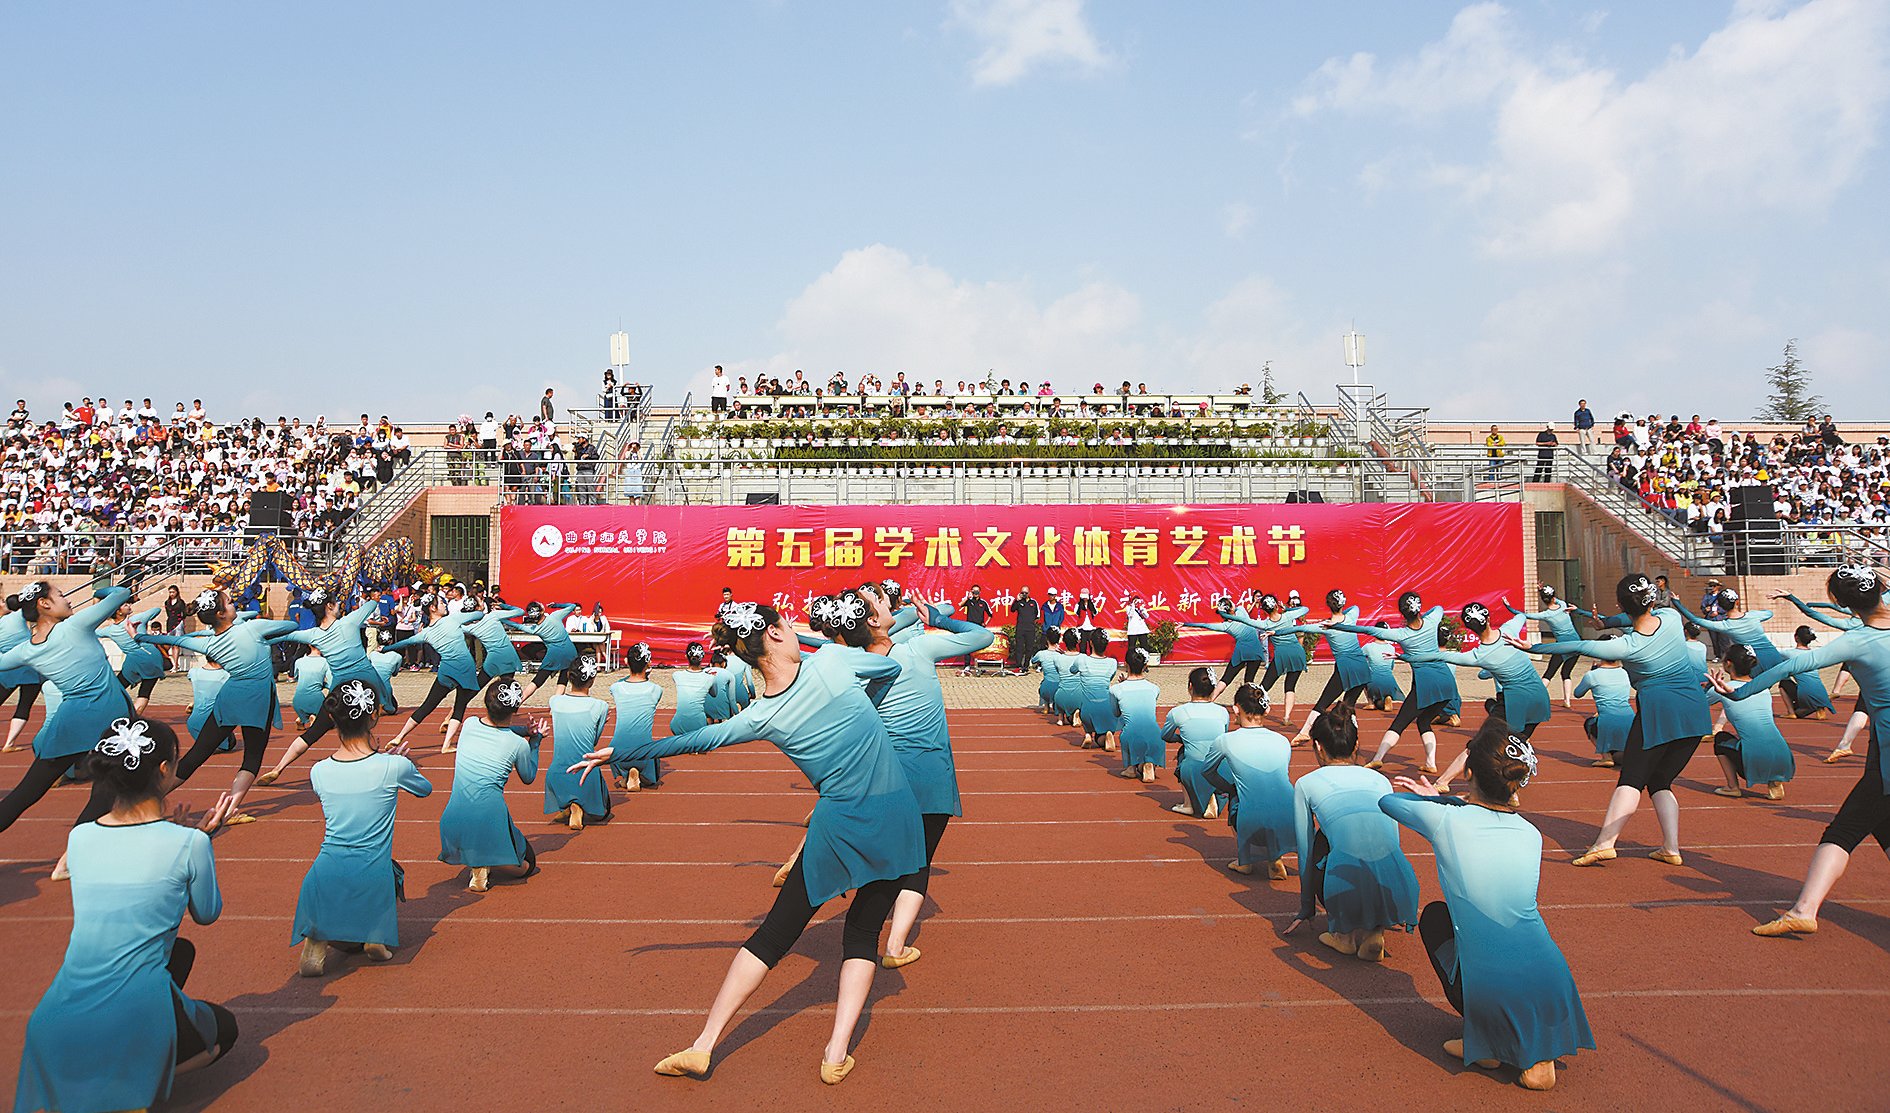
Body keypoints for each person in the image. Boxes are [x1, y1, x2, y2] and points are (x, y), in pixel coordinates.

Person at [567, 601, 922, 1084]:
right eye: (790, 626)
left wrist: (624, 751)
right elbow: (890, 664)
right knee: (861, 935)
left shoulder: (761, 716)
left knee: (775, 934)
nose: (799, 632)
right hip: (895, 816)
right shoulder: (836, 662)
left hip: (838, 825)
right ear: (774, 635)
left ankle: (703, 1044)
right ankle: (835, 1053)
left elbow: (699, 740)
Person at [16, 718, 240, 1113]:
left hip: (53, 1022)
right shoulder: (190, 843)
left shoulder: (80, 837)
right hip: (132, 1012)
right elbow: (207, 914)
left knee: (180, 952)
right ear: (165, 771)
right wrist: (198, 843)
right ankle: (128, 1081)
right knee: (225, 1031)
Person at [1381, 722, 1593, 1091]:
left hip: (1491, 989)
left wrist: (1440, 799)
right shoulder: (1532, 833)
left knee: (1434, 917)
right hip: (1554, 983)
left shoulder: (1447, 818)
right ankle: (1537, 1057)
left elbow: (1389, 802)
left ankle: (1487, 1041)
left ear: (1468, 773)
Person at [1707, 564, 1890, 936]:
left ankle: (1804, 910)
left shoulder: (1857, 639)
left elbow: (1795, 664)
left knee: (1842, 832)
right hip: (1879, 758)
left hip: (1886, 759)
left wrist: (1740, 692)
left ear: (1843, 603)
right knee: (1880, 823)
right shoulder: (1861, 631)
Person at [826, 587, 992, 969]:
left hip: (883, 780)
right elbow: (982, 636)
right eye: (884, 603)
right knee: (918, 863)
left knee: (887, 860)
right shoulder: (915, 650)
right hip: (930, 778)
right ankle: (895, 946)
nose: (892, 606)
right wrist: (938, 618)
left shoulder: (849, 665)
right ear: (870, 620)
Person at [1520, 574, 1710, 867]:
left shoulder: (1624, 647)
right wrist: (1608, 621)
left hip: (1658, 713)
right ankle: (1671, 848)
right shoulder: (1671, 618)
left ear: (1621, 604)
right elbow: (1636, 615)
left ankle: (1605, 843)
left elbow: (1579, 647)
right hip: (1696, 711)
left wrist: (1531, 648)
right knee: (1661, 781)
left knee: (1631, 779)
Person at [291, 680, 433, 977]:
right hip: (371, 874)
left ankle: (317, 938)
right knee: (389, 871)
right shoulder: (393, 767)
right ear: (374, 717)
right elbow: (425, 790)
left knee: (333, 867)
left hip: (323, 875)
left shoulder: (318, 771)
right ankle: (375, 937)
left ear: (332, 719)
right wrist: (398, 762)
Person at [140, 589, 298, 827]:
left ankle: (146, 801)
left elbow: (175, 639)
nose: (235, 605)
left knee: (197, 753)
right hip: (257, 700)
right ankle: (230, 810)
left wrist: (143, 637)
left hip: (230, 697)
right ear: (221, 613)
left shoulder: (210, 643)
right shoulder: (251, 629)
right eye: (231, 603)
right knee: (252, 759)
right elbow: (289, 626)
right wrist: (248, 621)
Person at [0, 582, 133, 843]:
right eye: (61, 595)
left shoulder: (26, 650)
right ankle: (72, 856)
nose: (68, 600)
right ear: (44, 604)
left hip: (70, 724)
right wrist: (99, 592)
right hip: (109, 719)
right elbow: (122, 594)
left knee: (26, 793)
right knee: (107, 790)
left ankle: (71, 858)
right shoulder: (75, 625)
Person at [1288, 704, 1420, 962]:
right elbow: (1393, 839)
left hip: (1345, 886)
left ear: (1318, 747)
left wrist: (1307, 907)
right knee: (1373, 839)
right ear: (1356, 743)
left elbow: (1304, 851)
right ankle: (1374, 931)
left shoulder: (1306, 784)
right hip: (1400, 884)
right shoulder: (1380, 780)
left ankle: (1344, 936)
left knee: (1321, 841)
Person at [1327, 591, 1457, 774]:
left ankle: (1378, 758)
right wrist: (1422, 616)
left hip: (1425, 684)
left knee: (1399, 724)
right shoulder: (1432, 621)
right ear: (1418, 608)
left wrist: (1339, 626)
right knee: (1424, 722)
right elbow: (1439, 609)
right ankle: (1430, 763)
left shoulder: (1400, 634)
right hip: (1447, 683)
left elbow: (1366, 630)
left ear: (1402, 614)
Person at [440, 679, 546, 892]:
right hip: (489, 818)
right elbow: (528, 777)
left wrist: (523, 730)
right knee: (529, 863)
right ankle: (485, 860)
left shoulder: (469, 723)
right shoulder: (517, 745)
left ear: (487, 704)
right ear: (516, 708)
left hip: (452, 819)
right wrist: (535, 741)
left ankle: (479, 858)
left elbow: (494, 729)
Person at [382, 594, 483, 752]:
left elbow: (404, 643)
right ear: (433, 608)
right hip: (465, 670)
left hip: (447, 671)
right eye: (441, 602)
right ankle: (446, 744)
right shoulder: (453, 619)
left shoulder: (426, 633)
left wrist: (385, 648)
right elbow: (479, 614)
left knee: (427, 706)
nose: (444, 605)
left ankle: (399, 736)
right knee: (460, 706)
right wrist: (478, 605)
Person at [1215, 685, 1294, 879]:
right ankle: (1274, 856)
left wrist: (1229, 788)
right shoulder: (1283, 740)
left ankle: (1246, 861)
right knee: (1269, 792)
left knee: (1238, 795)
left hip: (1251, 816)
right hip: (1290, 814)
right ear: (1266, 710)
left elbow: (1207, 772)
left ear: (1235, 709)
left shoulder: (1225, 740)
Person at [1707, 644, 1794, 801]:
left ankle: (1732, 787)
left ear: (1728, 664)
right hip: (1783, 755)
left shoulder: (1721, 688)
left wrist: (1709, 686)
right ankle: (1774, 782)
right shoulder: (1763, 688)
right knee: (1754, 735)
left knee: (1720, 738)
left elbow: (1699, 702)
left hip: (1753, 759)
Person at [1290, 590, 1373, 742]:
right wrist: (1339, 620)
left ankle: (1305, 732)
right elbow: (1354, 607)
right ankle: (1353, 738)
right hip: (1362, 667)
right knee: (1349, 706)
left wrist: (1276, 631)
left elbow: (1300, 628)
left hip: (1345, 668)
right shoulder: (1352, 615)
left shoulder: (1325, 626)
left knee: (1323, 703)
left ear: (1328, 605)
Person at [546, 655, 612, 828]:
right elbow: (593, 744)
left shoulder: (555, 702)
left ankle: (568, 803)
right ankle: (578, 805)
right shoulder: (600, 706)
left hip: (557, 774)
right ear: (592, 680)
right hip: (585, 775)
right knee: (604, 813)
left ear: (569, 677)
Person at [1163, 667, 1231, 818]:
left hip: (1194, 767)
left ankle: (1188, 804)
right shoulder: (1223, 712)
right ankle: (1215, 795)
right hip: (1222, 768)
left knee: (1183, 753)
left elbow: (1165, 736)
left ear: (1190, 687)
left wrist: (1181, 739)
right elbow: (1223, 736)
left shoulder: (1178, 712)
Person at [1508, 586, 1581, 707]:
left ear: (1543, 600)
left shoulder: (1545, 614)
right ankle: (1567, 700)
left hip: (1562, 646)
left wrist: (1508, 607)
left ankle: (1534, 698)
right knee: (1566, 673)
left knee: (1549, 673)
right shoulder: (1563, 605)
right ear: (1553, 597)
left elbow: (1524, 614)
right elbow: (1555, 599)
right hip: (1576, 643)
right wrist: (1542, 590)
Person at [1182, 596, 1267, 698]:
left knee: (1227, 678)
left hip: (1241, 653)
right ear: (1231, 608)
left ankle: (1211, 700)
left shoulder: (1226, 626)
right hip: (1255, 651)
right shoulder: (1241, 611)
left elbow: (1205, 625)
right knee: (1249, 680)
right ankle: (1248, 703)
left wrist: (1185, 624)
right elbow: (1235, 608)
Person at [101, 596, 167, 713]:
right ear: (119, 612)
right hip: (151, 657)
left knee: (117, 687)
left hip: (133, 660)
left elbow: (92, 632)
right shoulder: (137, 619)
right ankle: (133, 717)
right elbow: (157, 610)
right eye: (125, 605)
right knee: (144, 692)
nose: (129, 606)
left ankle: (110, 712)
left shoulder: (109, 630)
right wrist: (142, 621)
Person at [1110, 647, 1163, 783]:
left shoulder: (1116, 689)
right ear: (1145, 666)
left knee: (1127, 727)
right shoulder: (1154, 688)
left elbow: (1116, 713)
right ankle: (1149, 763)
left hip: (1131, 736)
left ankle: (1131, 767)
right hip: (1156, 735)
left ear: (1125, 665)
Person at [508, 601, 580, 699]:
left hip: (554, 654)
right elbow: (572, 606)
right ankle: (554, 707)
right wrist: (556, 605)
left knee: (538, 680)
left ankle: (517, 703)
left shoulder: (535, 629)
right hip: (570, 652)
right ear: (542, 610)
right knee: (563, 681)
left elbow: (519, 626)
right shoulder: (555, 616)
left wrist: (503, 621)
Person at [1574, 648, 1632, 768]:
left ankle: (1606, 757)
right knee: (1623, 755)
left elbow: (1577, 693)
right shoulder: (1625, 672)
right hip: (1630, 718)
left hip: (1607, 720)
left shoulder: (1592, 675)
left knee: (1589, 724)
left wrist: (1593, 671)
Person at [1074, 629, 1122, 750]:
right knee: (1101, 736)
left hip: (1087, 710)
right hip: (1106, 708)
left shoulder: (1082, 659)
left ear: (1091, 643)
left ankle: (1088, 734)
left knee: (1085, 704)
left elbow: (1072, 670)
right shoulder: (1112, 663)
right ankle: (1107, 734)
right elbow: (1109, 678)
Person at [670, 641, 719, 735]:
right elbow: (714, 694)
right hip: (699, 723)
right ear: (702, 657)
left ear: (686, 656)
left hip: (678, 724)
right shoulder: (710, 678)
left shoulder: (676, 675)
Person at [1123, 593, 1152, 658]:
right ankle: (1130, 663)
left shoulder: (1141, 607)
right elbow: (1130, 615)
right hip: (1133, 630)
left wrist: (1141, 609)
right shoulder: (1128, 608)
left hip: (1142, 629)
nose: (1136, 600)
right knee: (1131, 648)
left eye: (1137, 599)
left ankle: (1145, 663)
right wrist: (1133, 605)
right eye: (1134, 599)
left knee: (1144, 646)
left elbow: (1146, 616)